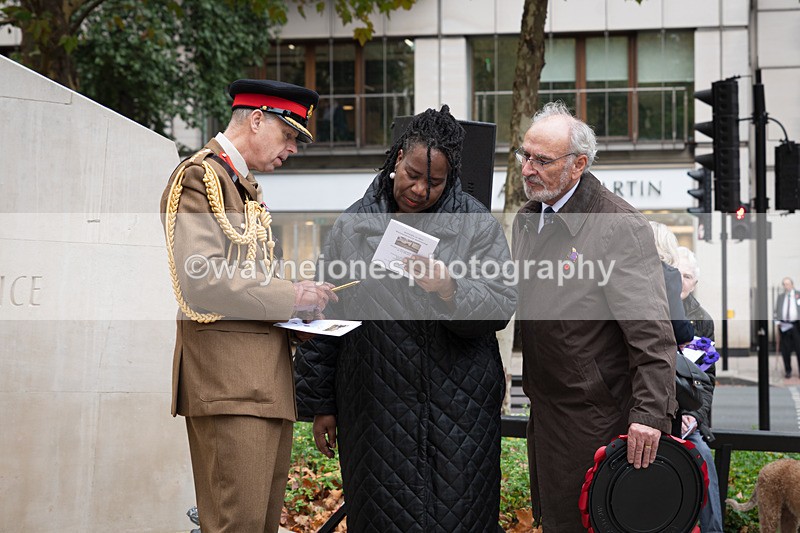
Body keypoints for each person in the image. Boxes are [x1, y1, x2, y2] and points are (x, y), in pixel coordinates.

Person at [294, 105, 517, 532]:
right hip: (374, 408)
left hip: (460, 410)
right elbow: (324, 315)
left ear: (450, 176)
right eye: (413, 173)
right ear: (398, 158)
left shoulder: (477, 224)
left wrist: (450, 288)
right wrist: (320, 404)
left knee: (460, 519)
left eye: (434, 182)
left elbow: (502, 303)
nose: (419, 189)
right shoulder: (353, 225)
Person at [159, 79, 337, 533]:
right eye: (290, 135)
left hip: (259, 385)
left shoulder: (241, 185)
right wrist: (289, 296)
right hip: (229, 384)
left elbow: (248, 279)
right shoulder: (201, 177)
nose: (293, 148)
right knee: (235, 525)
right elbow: (202, 279)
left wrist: (295, 312)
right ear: (256, 120)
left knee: (257, 526)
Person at [512, 101, 677, 531]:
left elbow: (653, 336)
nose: (527, 169)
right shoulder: (529, 219)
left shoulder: (617, 225)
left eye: (541, 160)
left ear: (578, 165)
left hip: (597, 421)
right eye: (524, 155)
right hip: (545, 415)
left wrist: (649, 416)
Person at [676, 245, 723, 533]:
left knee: (703, 456)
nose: (682, 281)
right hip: (652, 411)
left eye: (688, 276)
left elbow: (707, 379)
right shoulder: (651, 307)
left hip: (689, 416)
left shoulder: (702, 320)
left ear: (695, 283)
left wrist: (694, 417)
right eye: (677, 274)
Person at [650, 221, 694, 345]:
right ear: (667, 246)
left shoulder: (622, 270)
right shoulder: (668, 275)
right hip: (655, 353)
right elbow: (681, 331)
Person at [774, 277, 800, 379]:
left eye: (788, 284)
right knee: (786, 350)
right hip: (785, 326)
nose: (786, 286)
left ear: (792, 285)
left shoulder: (798, 295)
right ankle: (788, 370)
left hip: (797, 325)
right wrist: (777, 321)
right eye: (784, 284)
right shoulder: (781, 297)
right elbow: (776, 311)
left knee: (799, 349)